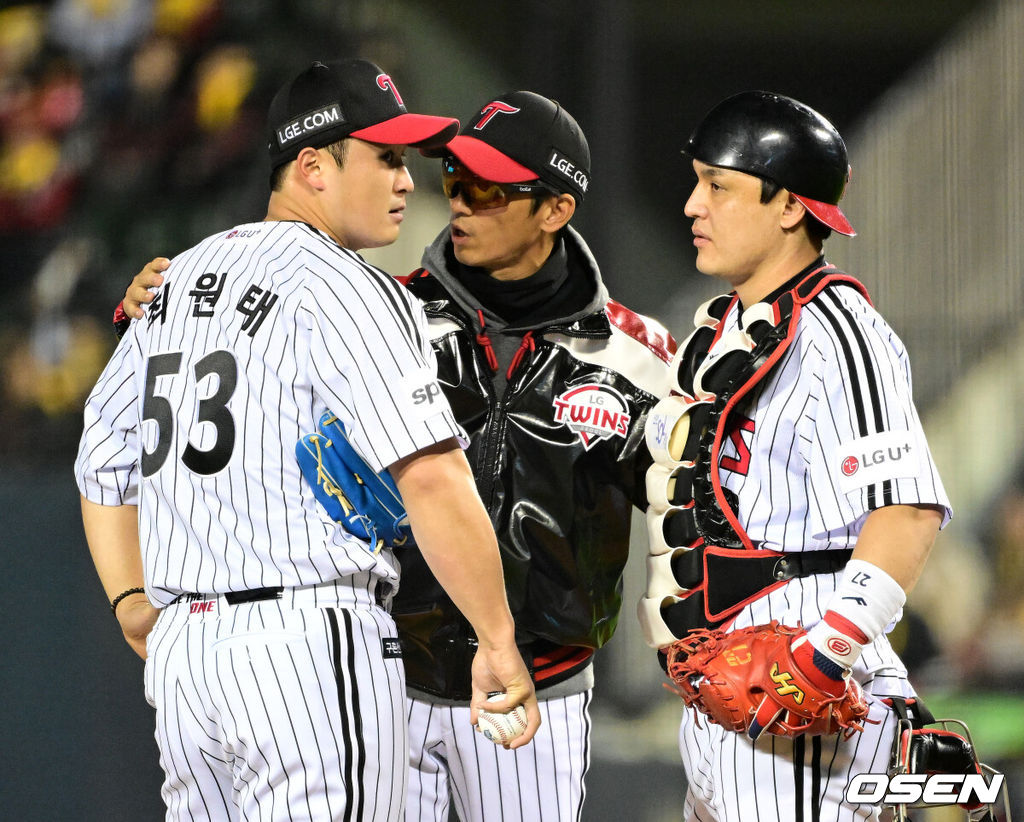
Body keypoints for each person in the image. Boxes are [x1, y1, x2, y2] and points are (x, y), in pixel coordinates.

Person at [120, 90, 676, 822]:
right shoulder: (383, 309)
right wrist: (157, 304)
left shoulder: (640, 354)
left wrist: (677, 635)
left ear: (554, 210)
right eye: (454, 180)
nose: (460, 203)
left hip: (536, 684)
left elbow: (680, 512)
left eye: (486, 188)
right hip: (387, 677)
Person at [75, 58, 539, 822]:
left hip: (188, 663)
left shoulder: (177, 278)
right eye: (386, 158)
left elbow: (102, 455)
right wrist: (494, 634)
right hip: (306, 642)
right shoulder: (348, 285)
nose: (404, 182)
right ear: (314, 166)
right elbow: (430, 477)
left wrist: (131, 599)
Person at [636, 90, 951, 821]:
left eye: (718, 185)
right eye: (696, 181)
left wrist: (824, 653)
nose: (692, 204)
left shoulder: (839, 332)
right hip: (722, 682)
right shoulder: (728, 330)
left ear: (788, 207)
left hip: (799, 694)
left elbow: (906, 510)